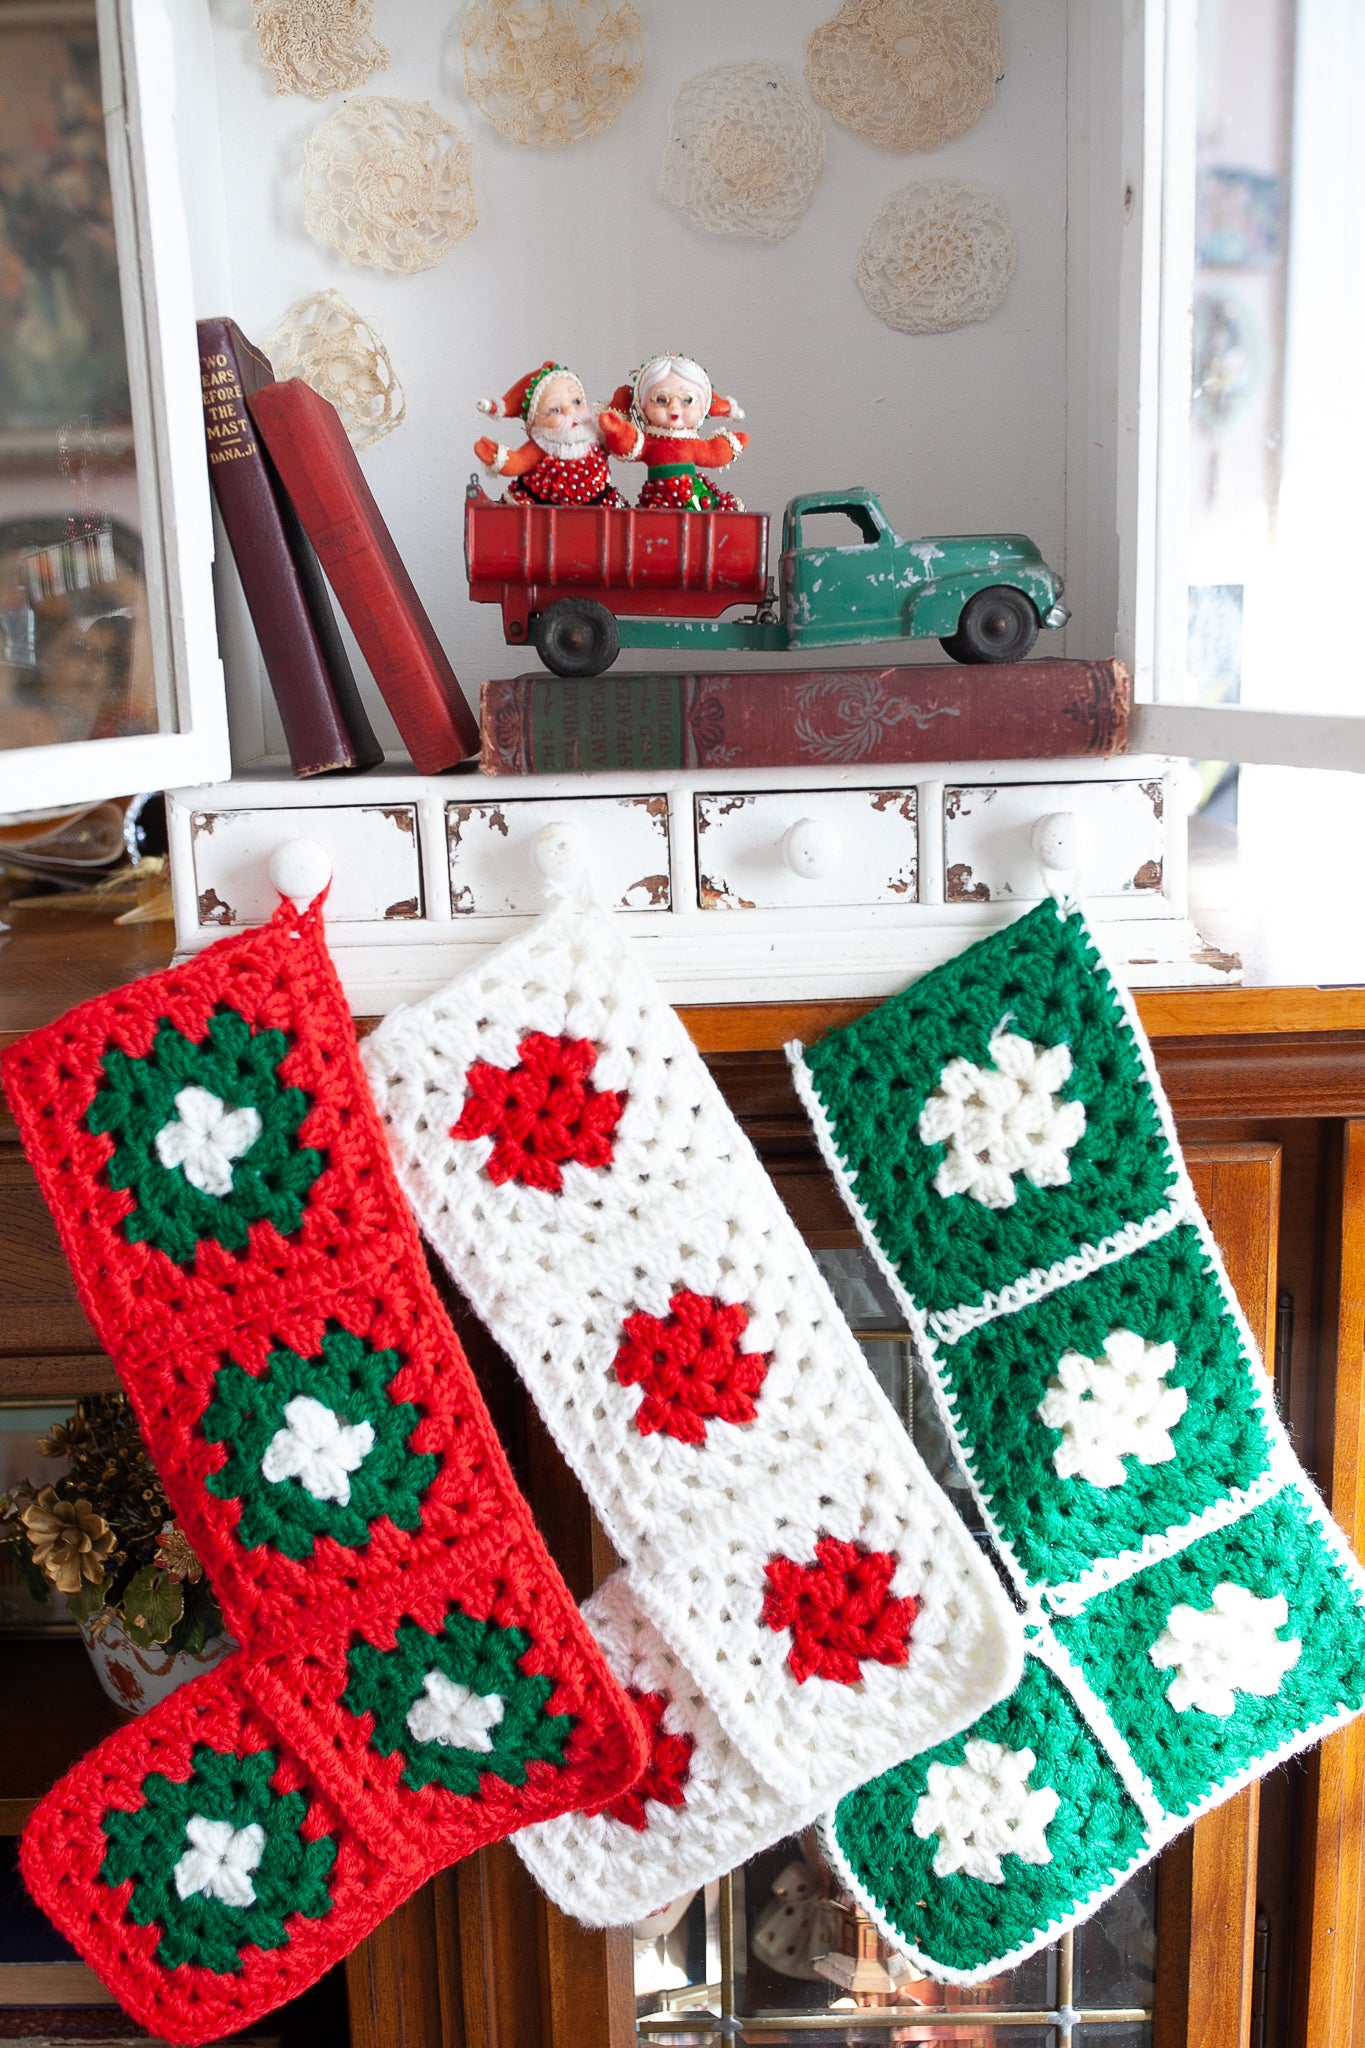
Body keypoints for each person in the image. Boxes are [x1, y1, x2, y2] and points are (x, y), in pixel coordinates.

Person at [598, 354, 748, 510]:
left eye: (687, 401)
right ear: (643, 406)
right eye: (661, 400)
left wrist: (730, 443)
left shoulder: (693, 444)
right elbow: (629, 444)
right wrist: (616, 429)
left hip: (695, 501)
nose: (674, 408)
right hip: (657, 503)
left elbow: (713, 452)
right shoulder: (649, 442)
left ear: (702, 408)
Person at [473, 361, 624, 506]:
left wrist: (617, 419)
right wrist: (498, 457)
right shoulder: (540, 447)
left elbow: (617, 443)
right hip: (539, 507)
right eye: (555, 410)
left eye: (576, 402)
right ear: (536, 422)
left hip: (597, 504)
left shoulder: (594, 436)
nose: (570, 411)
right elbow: (519, 461)